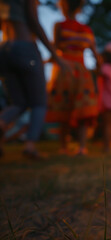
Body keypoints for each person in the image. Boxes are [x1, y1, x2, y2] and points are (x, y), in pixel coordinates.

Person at [0, 0, 68, 158]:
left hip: (4, 50)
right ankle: (30, 146)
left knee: (18, 103)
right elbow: (34, 22)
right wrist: (55, 54)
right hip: (24, 47)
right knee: (39, 103)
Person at [46, 0, 99, 155]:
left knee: (64, 107)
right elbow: (95, 55)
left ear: (64, 6)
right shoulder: (86, 30)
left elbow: (55, 49)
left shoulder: (60, 26)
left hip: (64, 70)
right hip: (82, 72)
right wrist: (100, 70)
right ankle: (82, 147)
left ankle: (64, 147)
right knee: (83, 109)